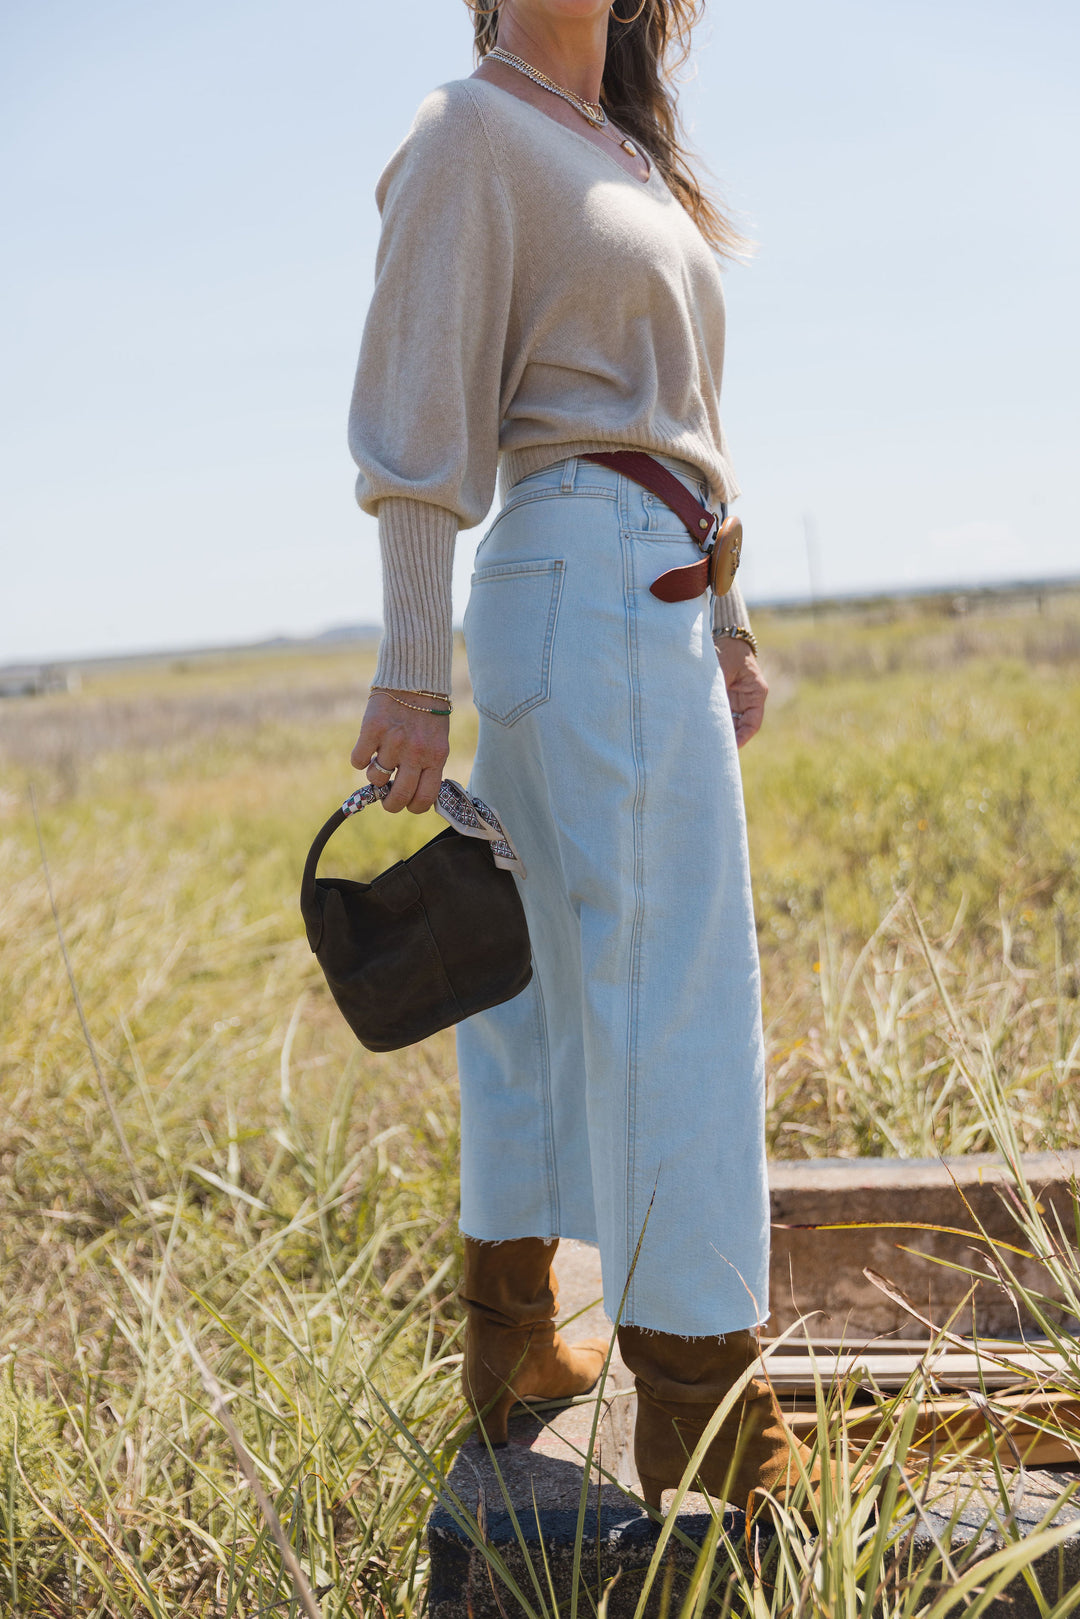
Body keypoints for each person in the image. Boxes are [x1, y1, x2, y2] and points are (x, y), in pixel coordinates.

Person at [347, 0, 814, 1514]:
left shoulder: (615, 150)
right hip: (581, 575)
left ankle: (524, 1338)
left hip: (641, 582)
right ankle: (706, 1403)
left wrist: (728, 623)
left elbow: (687, 425)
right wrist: (412, 675)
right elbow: (420, 424)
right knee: (673, 987)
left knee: (537, 976)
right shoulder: (468, 130)